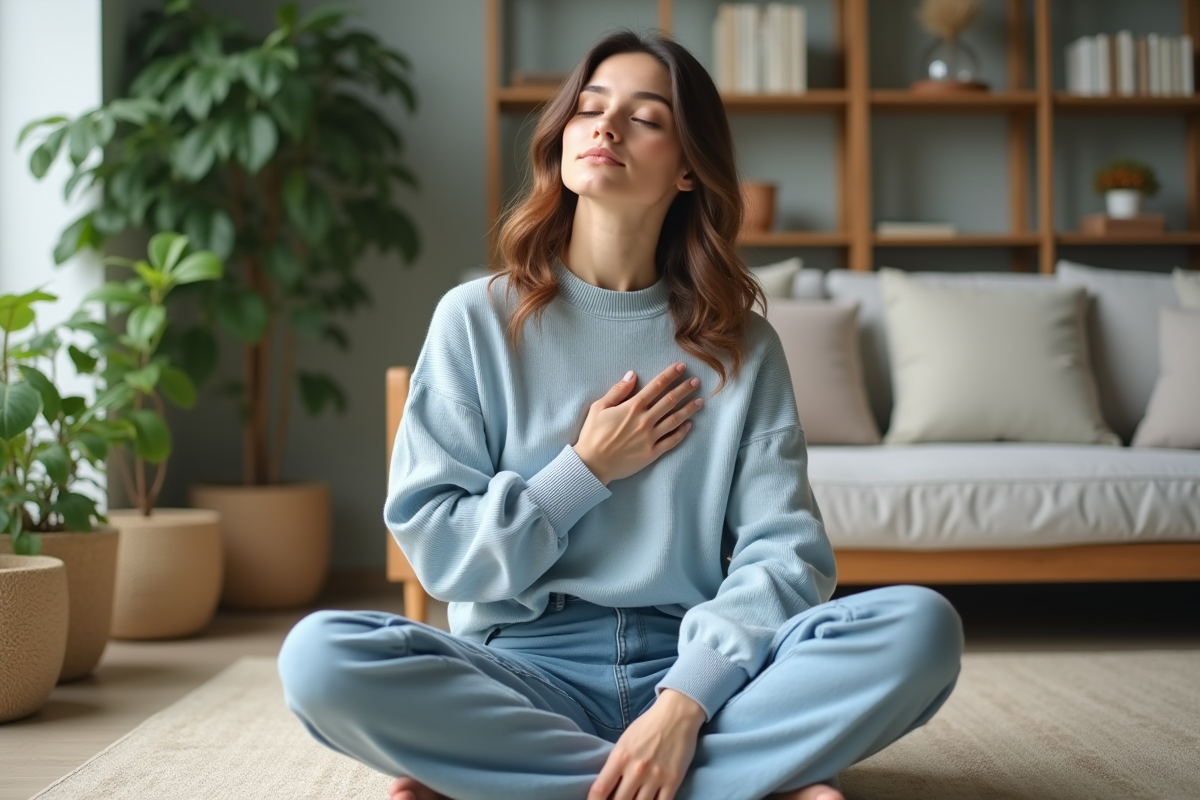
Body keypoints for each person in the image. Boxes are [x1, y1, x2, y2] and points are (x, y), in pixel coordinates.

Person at [277, 29, 963, 800]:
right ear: (563, 137)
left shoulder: (742, 345)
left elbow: (785, 557)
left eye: (645, 118)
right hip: (522, 670)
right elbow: (438, 551)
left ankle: (537, 778)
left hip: (698, 665)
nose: (605, 127)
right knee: (319, 658)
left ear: (687, 170)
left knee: (920, 627)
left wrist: (684, 703)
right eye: (589, 109)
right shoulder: (474, 319)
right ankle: (719, 781)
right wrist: (582, 471)